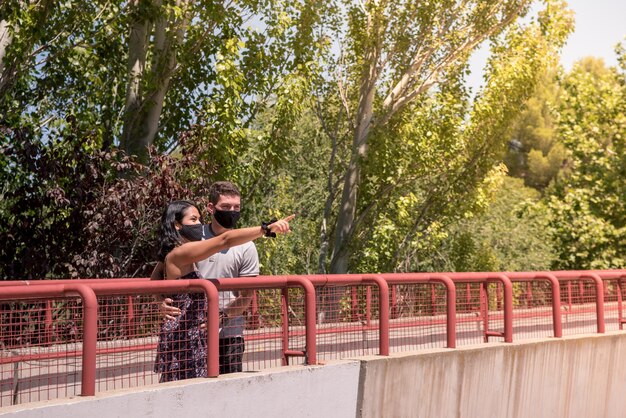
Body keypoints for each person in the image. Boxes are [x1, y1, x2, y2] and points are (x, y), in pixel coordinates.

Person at [153, 198, 293, 382]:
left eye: (200, 220)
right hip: (183, 335)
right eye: (193, 220)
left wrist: (158, 301)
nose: (199, 224)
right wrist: (264, 229)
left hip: (190, 333)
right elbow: (225, 240)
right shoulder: (180, 253)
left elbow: (154, 278)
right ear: (177, 225)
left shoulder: (174, 252)